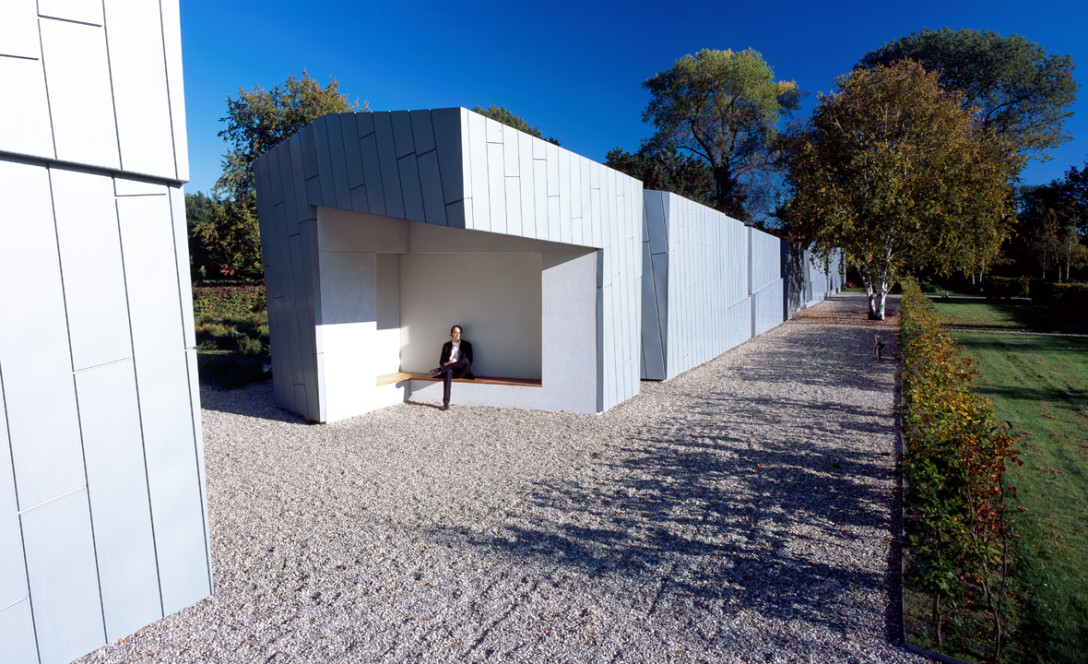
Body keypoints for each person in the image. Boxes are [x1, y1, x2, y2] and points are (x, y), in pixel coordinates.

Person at [429, 324, 473, 410]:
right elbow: (441, 362)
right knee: (448, 372)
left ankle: (439, 370)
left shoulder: (467, 345)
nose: (457, 334)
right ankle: (446, 403)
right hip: (450, 370)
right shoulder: (446, 345)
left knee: (466, 360)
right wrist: (448, 363)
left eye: (459, 333)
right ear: (452, 334)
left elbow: (470, 361)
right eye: (455, 333)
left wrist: (455, 363)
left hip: (462, 370)